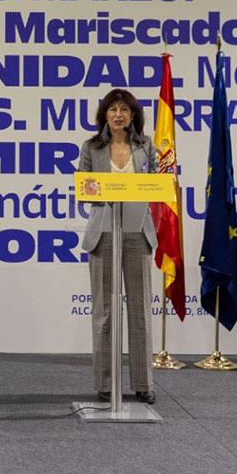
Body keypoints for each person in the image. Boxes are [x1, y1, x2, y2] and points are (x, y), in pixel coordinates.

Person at [77, 88, 158, 405]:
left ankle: (143, 383)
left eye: (124, 109)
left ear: (133, 114)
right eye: (113, 109)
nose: (119, 114)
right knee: (105, 313)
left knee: (140, 311)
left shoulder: (145, 146)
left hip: (137, 231)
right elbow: (84, 187)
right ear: (105, 115)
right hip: (104, 232)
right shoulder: (92, 147)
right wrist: (107, 189)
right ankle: (105, 382)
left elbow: (154, 182)